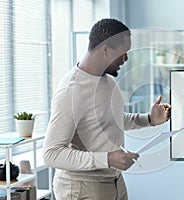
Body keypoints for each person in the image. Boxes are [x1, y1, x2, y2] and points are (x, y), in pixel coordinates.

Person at [43, 18, 171, 200]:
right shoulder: (71, 92)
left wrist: (148, 119)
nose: (126, 58)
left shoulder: (107, 81)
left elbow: (110, 119)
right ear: (105, 50)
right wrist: (107, 159)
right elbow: (51, 154)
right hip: (83, 187)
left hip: (114, 180)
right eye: (124, 52)